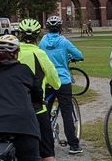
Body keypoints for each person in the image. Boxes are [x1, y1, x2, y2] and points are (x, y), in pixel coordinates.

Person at [0, 35, 41, 161]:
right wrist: (36, 104)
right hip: (22, 124)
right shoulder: (24, 70)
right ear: (16, 53)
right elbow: (37, 92)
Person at [16, 18, 61, 161]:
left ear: (20, 35)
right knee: (47, 153)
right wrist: (53, 84)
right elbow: (55, 80)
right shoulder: (40, 54)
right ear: (37, 36)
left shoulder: (13, 53)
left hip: (13, 106)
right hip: (35, 107)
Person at [39, 15, 84, 155]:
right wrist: (72, 58)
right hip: (63, 80)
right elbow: (79, 55)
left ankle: (44, 145)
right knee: (66, 112)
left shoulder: (43, 41)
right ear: (60, 28)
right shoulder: (64, 41)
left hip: (47, 80)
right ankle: (73, 145)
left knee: (44, 111)